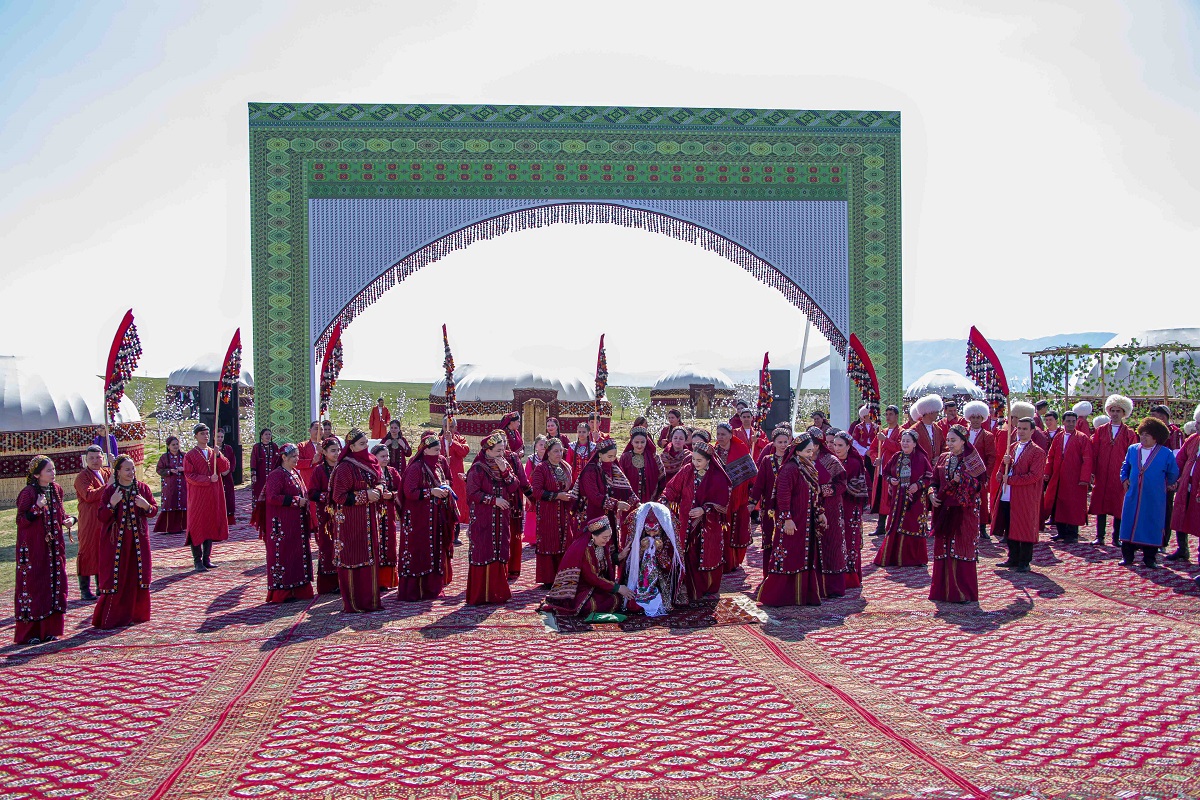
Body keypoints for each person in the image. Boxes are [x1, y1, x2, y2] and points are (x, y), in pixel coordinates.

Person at [13, 456, 76, 644]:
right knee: (34, 585)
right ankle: (30, 633)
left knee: (55, 584)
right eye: (49, 470)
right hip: (33, 549)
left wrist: (70, 520)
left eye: (54, 469)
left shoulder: (56, 490)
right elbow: (21, 521)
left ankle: (50, 629)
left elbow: (61, 513)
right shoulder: (28, 493)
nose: (53, 473)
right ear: (36, 474)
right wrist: (37, 507)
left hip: (54, 547)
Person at [659, 441, 730, 603]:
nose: (695, 463)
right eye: (694, 459)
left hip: (709, 524)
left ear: (708, 460)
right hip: (687, 520)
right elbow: (672, 488)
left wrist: (705, 509)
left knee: (706, 553)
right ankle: (688, 587)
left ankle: (706, 588)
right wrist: (663, 500)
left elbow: (723, 501)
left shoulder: (717, 476)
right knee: (688, 552)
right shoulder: (687, 470)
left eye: (699, 460)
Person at [757, 433, 823, 607]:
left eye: (812, 450)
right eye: (808, 451)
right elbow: (782, 496)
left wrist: (820, 512)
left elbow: (815, 493)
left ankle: (802, 595)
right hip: (792, 521)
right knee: (788, 555)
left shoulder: (808, 467)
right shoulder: (789, 469)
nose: (811, 454)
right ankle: (779, 596)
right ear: (798, 451)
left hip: (806, 521)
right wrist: (786, 518)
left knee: (804, 555)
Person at [93, 454, 156, 628]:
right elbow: (101, 516)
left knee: (137, 574)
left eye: (133, 469)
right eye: (127, 469)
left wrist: (147, 506)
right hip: (116, 543)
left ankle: (136, 614)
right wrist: (112, 504)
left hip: (137, 542)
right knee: (118, 575)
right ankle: (114, 617)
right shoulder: (110, 491)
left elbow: (153, 511)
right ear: (118, 471)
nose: (131, 472)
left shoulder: (142, 489)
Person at [927, 426, 988, 603]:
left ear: (963, 441)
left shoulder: (972, 460)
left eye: (953, 440)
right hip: (944, 510)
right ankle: (942, 591)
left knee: (961, 547)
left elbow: (978, 486)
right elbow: (934, 481)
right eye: (948, 440)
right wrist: (932, 494)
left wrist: (962, 479)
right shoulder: (944, 458)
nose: (950, 443)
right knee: (943, 547)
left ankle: (962, 592)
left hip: (964, 512)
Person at [328, 429, 384, 613]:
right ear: (351, 447)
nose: (366, 447)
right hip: (351, 522)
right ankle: (354, 603)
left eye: (367, 443)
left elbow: (380, 480)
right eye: (361, 444)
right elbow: (338, 496)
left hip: (369, 522)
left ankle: (371, 601)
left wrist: (379, 491)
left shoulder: (372, 462)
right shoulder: (345, 467)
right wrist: (365, 496)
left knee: (370, 557)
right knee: (353, 558)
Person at [398, 430, 456, 601]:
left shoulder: (438, 466)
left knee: (434, 549)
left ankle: (432, 588)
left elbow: (446, 481)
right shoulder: (416, 468)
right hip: (417, 518)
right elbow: (409, 492)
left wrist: (444, 489)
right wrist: (431, 492)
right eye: (436, 450)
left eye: (439, 450)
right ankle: (415, 591)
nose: (438, 454)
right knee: (418, 550)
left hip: (435, 516)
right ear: (425, 450)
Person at [465, 430, 522, 605]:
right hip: (483, 517)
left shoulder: (504, 465)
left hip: (501, 518)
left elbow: (514, 487)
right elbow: (472, 493)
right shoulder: (478, 468)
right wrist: (493, 500)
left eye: (503, 450)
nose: (501, 454)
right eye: (498, 451)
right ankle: (480, 594)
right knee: (484, 550)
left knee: (500, 551)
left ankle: (498, 592)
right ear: (487, 450)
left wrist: (505, 471)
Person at [541, 517, 636, 617]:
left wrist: (619, 557)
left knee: (618, 598)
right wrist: (617, 588)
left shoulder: (601, 544)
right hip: (581, 589)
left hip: (596, 586)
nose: (607, 540)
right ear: (593, 536)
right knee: (604, 602)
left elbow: (602, 563)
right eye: (604, 537)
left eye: (609, 536)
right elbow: (592, 577)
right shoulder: (585, 549)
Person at [1118, 417, 1180, 569]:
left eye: (1148, 435)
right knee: (1129, 522)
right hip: (1133, 494)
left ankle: (1149, 558)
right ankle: (1128, 556)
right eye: (1142, 434)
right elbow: (1125, 466)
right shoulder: (1133, 449)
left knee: (1151, 523)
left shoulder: (1165, 453)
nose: (1143, 437)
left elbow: (1173, 472)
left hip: (1154, 496)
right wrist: (1124, 478)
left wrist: (1167, 484)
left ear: (1156, 437)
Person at [260, 444, 315, 603]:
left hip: (297, 523)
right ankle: (283, 591)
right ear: (284, 457)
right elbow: (272, 497)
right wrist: (297, 501)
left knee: (297, 554)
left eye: (297, 456)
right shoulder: (276, 475)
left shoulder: (296, 473)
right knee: (284, 555)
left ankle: (298, 589)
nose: (297, 459)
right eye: (293, 457)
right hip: (282, 524)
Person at [994, 417, 1047, 572]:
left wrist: (1010, 480)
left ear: (1032, 431)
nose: (1021, 432)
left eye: (1025, 429)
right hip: (1008, 493)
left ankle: (1024, 560)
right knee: (1010, 525)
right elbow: (1001, 472)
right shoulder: (1013, 447)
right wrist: (1005, 464)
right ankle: (1013, 557)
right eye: (1019, 428)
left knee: (1024, 526)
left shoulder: (1037, 452)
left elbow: (1034, 476)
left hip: (1025, 495)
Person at [874, 430, 933, 567]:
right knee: (896, 525)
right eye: (903, 440)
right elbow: (887, 472)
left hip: (916, 500)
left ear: (914, 443)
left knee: (912, 525)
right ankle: (893, 558)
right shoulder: (896, 457)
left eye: (908, 441)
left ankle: (914, 559)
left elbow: (929, 477)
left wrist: (918, 485)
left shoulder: (921, 458)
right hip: (898, 498)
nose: (905, 443)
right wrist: (891, 480)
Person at [1089, 394, 1138, 546]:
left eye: (1118, 411)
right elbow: (1094, 451)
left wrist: (1128, 475)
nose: (1115, 414)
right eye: (1113, 410)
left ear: (1124, 413)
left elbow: (1133, 456)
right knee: (1100, 504)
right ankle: (1100, 536)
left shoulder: (1129, 433)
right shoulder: (1101, 430)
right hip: (1102, 473)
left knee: (1118, 505)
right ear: (1108, 411)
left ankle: (1117, 537)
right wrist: (1092, 471)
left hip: (1120, 476)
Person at [622, 502, 687, 615]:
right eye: (648, 531)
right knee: (633, 605)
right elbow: (631, 565)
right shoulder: (638, 538)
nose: (651, 534)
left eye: (655, 530)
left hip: (660, 579)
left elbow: (670, 568)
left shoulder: (667, 540)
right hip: (640, 578)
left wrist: (660, 551)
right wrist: (641, 550)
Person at [184, 424, 230, 573]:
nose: (205, 436)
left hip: (212, 494)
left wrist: (219, 455)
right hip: (198, 495)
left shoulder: (213, 452)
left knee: (209, 524)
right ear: (196, 436)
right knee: (197, 524)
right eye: (202, 433)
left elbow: (224, 468)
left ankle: (206, 559)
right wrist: (208, 479)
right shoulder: (190, 455)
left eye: (207, 433)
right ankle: (197, 560)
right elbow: (189, 476)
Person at [988, 401, 1037, 539]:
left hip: (1022, 482)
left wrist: (1012, 478)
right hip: (1009, 480)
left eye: (1014, 417)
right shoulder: (1012, 438)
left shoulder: (1034, 439)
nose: (1011, 420)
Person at [808, 427, 848, 597]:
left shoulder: (831, 461)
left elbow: (842, 485)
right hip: (810, 507)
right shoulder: (802, 459)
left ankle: (832, 587)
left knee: (831, 543)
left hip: (830, 508)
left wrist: (822, 490)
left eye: (813, 444)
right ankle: (812, 586)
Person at [1043, 410, 1093, 544]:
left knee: (1073, 505)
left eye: (1073, 421)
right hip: (1058, 476)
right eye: (1068, 421)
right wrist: (1047, 472)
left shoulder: (1082, 438)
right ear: (1063, 422)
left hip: (1075, 478)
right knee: (1059, 504)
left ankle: (1072, 534)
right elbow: (1051, 456)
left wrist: (1084, 478)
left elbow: (1087, 459)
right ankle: (1061, 532)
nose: (1071, 424)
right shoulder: (1059, 437)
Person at [532, 438, 576, 588]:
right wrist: (557, 496)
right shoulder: (541, 468)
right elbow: (536, 492)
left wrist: (570, 495)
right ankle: (549, 578)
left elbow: (572, 485)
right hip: (548, 512)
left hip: (564, 511)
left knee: (565, 540)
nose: (559, 454)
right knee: (549, 540)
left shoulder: (566, 467)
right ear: (548, 452)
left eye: (561, 450)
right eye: (555, 451)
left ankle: (563, 575)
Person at [575, 438, 637, 546]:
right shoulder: (590, 471)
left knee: (608, 542)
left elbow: (625, 489)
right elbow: (594, 496)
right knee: (594, 544)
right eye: (609, 456)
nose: (612, 459)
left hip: (607, 514)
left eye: (614, 456)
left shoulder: (613, 469)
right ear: (600, 455)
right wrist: (616, 504)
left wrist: (636, 503)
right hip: (592, 513)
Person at [714, 423, 758, 571]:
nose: (720, 437)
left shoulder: (741, 449)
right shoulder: (713, 452)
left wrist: (753, 499)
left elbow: (752, 475)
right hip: (719, 500)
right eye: (718, 434)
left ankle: (734, 561)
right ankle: (721, 562)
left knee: (737, 530)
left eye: (723, 434)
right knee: (722, 531)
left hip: (740, 499)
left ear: (731, 435)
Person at [829, 431, 869, 590]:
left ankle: (850, 577)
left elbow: (855, 486)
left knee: (850, 539)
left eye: (840, 445)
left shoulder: (854, 463)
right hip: (834, 506)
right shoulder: (831, 461)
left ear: (848, 446)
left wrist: (836, 487)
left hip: (850, 506)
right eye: (834, 444)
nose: (836, 448)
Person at [750, 427, 793, 569]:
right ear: (773, 443)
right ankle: (769, 573)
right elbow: (759, 484)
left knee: (788, 539)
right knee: (769, 538)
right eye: (779, 442)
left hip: (790, 507)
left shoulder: (794, 461)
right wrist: (752, 502)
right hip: (769, 507)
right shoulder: (767, 461)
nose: (782, 445)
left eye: (785, 441)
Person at [73, 445, 111, 601]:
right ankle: (84, 589)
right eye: (91, 458)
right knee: (87, 551)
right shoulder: (82, 477)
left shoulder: (107, 473)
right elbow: (88, 495)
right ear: (86, 460)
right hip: (89, 519)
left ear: (103, 457)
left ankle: (100, 586)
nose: (95, 461)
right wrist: (107, 487)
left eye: (98, 457)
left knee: (102, 551)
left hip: (104, 517)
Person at [305, 437, 342, 594]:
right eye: (333, 451)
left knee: (343, 546)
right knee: (328, 546)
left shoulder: (343, 467)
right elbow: (311, 493)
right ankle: (329, 584)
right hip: (326, 515)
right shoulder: (319, 470)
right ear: (325, 452)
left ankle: (343, 580)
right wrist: (329, 497)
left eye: (338, 450)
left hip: (343, 514)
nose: (336, 453)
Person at [1167, 405, 1200, 562]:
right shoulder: (1193, 439)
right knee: (1180, 515)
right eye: (1197, 422)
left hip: (1198, 489)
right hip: (1186, 485)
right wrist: (1173, 479)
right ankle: (1182, 549)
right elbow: (1180, 459)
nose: (1197, 426)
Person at [962, 401, 997, 537]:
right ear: (968, 418)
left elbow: (991, 457)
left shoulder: (987, 436)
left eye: (978, 417)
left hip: (980, 475)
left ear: (983, 418)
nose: (975, 420)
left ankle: (982, 528)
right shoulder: (963, 433)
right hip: (964, 472)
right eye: (973, 417)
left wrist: (987, 476)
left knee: (982, 500)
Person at [371, 444, 401, 591]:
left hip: (388, 513)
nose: (386, 459)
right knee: (375, 542)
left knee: (389, 542)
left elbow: (402, 490)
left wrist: (393, 495)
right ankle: (374, 580)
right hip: (373, 512)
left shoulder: (392, 472)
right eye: (382, 456)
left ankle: (387, 580)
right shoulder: (369, 472)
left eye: (387, 456)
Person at [870, 405, 903, 536]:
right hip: (881, 470)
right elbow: (872, 449)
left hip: (893, 470)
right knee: (880, 497)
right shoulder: (882, 432)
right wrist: (875, 459)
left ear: (896, 416)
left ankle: (893, 525)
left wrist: (886, 441)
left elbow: (901, 448)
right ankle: (880, 526)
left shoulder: (901, 432)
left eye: (891, 414)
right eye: (887, 414)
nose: (888, 417)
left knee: (891, 498)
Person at [619, 426, 666, 516]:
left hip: (650, 498)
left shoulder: (653, 456)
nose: (639, 445)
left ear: (647, 441)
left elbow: (662, 476)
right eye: (636, 442)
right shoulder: (625, 457)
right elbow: (621, 479)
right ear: (631, 442)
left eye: (642, 442)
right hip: (630, 499)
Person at [439, 416, 470, 534]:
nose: (449, 429)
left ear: (456, 427)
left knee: (459, 500)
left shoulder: (460, 439)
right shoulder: (438, 440)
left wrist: (452, 443)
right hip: (444, 477)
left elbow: (464, 452)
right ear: (442, 427)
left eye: (451, 427)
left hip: (457, 477)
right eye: (446, 427)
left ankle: (457, 529)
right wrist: (443, 460)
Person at [153, 436, 187, 534]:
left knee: (183, 503)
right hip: (170, 485)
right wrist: (169, 471)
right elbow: (159, 470)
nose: (176, 446)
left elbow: (191, 467)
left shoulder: (184, 456)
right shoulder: (164, 457)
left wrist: (184, 469)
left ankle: (183, 526)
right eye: (173, 445)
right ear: (168, 446)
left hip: (183, 485)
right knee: (170, 503)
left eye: (177, 444)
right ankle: (170, 527)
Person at [249, 429, 280, 532]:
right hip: (260, 476)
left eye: (269, 434)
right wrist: (254, 474)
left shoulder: (274, 446)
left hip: (272, 476)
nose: (268, 436)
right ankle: (259, 516)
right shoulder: (257, 447)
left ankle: (271, 513)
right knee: (259, 495)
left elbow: (278, 460)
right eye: (266, 434)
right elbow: (253, 461)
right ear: (261, 436)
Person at [523, 436, 548, 545]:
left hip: (546, 490)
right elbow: (527, 477)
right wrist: (529, 494)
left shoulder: (550, 458)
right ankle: (532, 537)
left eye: (544, 445)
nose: (543, 447)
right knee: (532, 515)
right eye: (540, 444)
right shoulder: (531, 459)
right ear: (536, 446)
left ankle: (545, 537)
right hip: (533, 491)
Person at [910, 394, 946, 460]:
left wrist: (939, 458)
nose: (938, 414)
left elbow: (944, 446)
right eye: (936, 412)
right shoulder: (914, 430)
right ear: (929, 412)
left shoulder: (938, 429)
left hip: (935, 467)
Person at [848, 405, 878, 485]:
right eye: (869, 415)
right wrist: (864, 451)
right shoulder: (858, 427)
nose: (871, 417)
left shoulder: (876, 427)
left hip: (874, 452)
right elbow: (854, 442)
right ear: (864, 416)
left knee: (874, 472)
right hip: (863, 453)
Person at [214, 428, 237, 525]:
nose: (219, 439)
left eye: (221, 437)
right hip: (216, 476)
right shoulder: (211, 449)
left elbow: (233, 461)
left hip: (227, 476)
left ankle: (229, 518)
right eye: (218, 437)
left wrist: (227, 470)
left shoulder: (228, 448)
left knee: (228, 496)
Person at [296, 421, 324, 490]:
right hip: (308, 481)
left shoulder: (327, 445)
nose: (319, 431)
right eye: (316, 428)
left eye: (321, 429)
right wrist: (312, 461)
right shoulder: (302, 446)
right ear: (309, 430)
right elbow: (297, 463)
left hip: (323, 480)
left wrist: (324, 451)